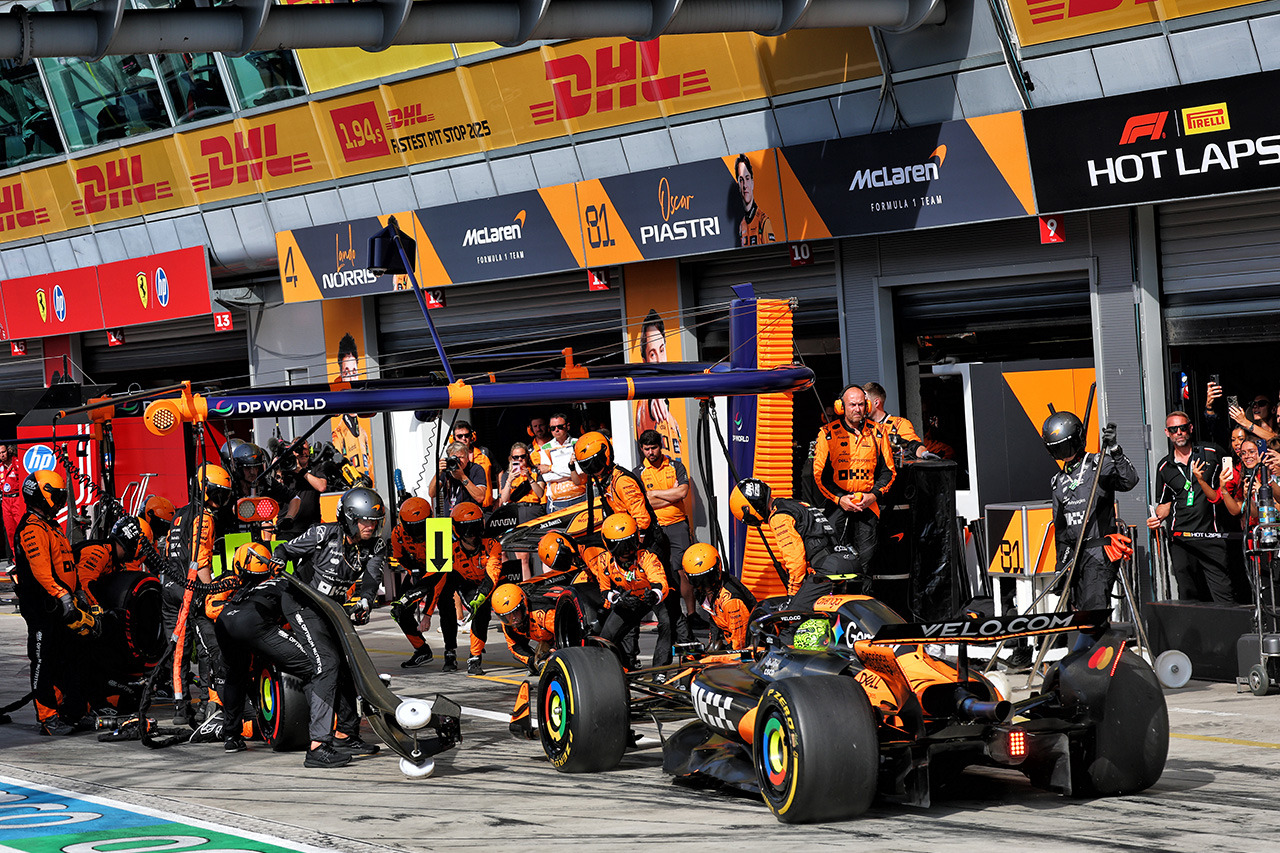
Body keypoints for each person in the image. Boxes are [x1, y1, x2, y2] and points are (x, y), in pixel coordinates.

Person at [274, 487, 385, 769]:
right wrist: (279, 559)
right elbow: (284, 548)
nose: (370, 526)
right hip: (301, 603)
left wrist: (365, 601)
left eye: (374, 521)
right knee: (327, 664)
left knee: (348, 666)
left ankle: (346, 734)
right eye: (364, 521)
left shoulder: (375, 546)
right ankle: (317, 746)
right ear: (349, 518)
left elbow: (372, 578)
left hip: (331, 608)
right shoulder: (323, 534)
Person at [577, 430, 691, 644]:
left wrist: (630, 551)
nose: (594, 470)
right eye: (588, 467)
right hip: (628, 546)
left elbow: (642, 520)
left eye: (596, 464)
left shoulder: (622, 481)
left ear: (606, 456)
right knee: (628, 601)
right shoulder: (605, 481)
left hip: (646, 545)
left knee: (666, 602)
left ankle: (686, 643)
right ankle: (627, 653)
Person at [212, 542, 313, 753]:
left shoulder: (240, 587)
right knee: (313, 665)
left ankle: (231, 736)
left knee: (235, 675)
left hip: (224, 622)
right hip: (253, 625)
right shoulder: (284, 583)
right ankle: (324, 730)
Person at [12, 470, 86, 735]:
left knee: (66, 659)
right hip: (43, 607)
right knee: (42, 661)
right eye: (57, 496)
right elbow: (42, 571)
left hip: (61, 606)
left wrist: (77, 592)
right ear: (41, 495)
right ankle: (48, 718)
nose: (61, 501)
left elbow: (67, 564)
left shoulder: (51, 526)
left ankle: (68, 711)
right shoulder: (31, 529)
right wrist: (63, 595)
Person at [1044, 413, 1139, 611]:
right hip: (1075, 557)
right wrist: (1060, 567)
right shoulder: (1057, 481)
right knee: (1077, 613)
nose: (1064, 453)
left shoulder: (1099, 462)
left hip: (1099, 552)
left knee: (1092, 610)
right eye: (1057, 449)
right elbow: (1061, 531)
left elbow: (1129, 481)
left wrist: (1115, 450)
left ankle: (1099, 632)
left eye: (1066, 447)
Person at [163, 463, 232, 726]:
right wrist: (212, 591)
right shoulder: (204, 517)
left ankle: (180, 708)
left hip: (169, 586)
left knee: (178, 649)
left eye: (223, 496)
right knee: (207, 647)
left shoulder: (179, 514)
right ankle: (206, 702)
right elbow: (201, 560)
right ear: (203, 490)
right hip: (190, 588)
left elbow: (168, 550)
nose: (219, 501)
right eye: (216, 494)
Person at [729, 477, 860, 613]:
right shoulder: (796, 504)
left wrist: (792, 595)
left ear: (750, 509)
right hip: (850, 561)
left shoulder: (779, 517)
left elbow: (796, 562)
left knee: (791, 617)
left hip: (829, 569)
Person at [1146, 412, 1233, 604]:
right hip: (1181, 538)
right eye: (1173, 429)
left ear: (1190, 428)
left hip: (1211, 534)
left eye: (1183, 427)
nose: (1179, 432)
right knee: (1188, 594)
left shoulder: (1211, 452)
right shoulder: (1164, 466)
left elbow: (1233, 477)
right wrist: (1156, 519)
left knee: (1223, 593)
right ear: (1167, 432)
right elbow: (1165, 503)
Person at [813, 384, 896, 576]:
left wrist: (873, 496)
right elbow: (820, 476)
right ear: (841, 407)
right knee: (834, 561)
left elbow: (888, 472)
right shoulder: (827, 433)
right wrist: (840, 498)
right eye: (852, 405)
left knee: (866, 563)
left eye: (861, 404)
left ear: (867, 406)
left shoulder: (879, 432)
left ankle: (862, 594)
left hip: (868, 504)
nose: (857, 409)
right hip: (837, 505)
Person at [592, 513, 672, 667]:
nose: (626, 551)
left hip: (652, 596)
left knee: (667, 623)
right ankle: (615, 668)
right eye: (619, 546)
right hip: (628, 598)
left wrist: (654, 595)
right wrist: (618, 599)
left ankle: (660, 671)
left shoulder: (647, 557)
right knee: (605, 637)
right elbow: (605, 590)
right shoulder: (603, 561)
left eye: (630, 543)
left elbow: (660, 581)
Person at [635, 429, 696, 624]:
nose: (650, 452)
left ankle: (692, 615)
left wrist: (654, 494)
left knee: (683, 570)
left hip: (678, 524)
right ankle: (667, 619)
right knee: (657, 573)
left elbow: (683, 492)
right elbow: (643, 503)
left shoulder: (675, 466)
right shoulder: (638, 473)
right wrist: (671, 495)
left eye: (654, 448)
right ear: (641, 449)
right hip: (654, 528)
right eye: (647, 449)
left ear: (660, 446)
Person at [434, 501, 502, 675]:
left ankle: (475, 656)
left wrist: (482, 595)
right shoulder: (441, 539)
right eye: (467, 530)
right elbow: (434, 579)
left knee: (482, 608)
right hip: (458, 579)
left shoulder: (492, 543)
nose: (473, 536)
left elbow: (493, 574)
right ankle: (450, 651)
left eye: (476, 528)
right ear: (456, 530)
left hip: (483, 581)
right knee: (444, 602)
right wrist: (427, 614)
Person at [387, 497, 441, 669]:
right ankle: (421, 649)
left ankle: (451, 653)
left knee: (446, 606)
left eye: (421, 527)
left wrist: (427, 615)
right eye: (412, 528)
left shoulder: (439, 530)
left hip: (442, 571)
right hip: (418, 570)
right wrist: (413, 572)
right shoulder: (397, 533)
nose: (417, 533)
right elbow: (399, 556)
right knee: (399, 609)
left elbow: (440, 575)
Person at [683, 543, 756, 649]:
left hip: (749, 646)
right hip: (732, 642)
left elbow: (740, 642)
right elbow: (714, 618)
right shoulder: (700, 592)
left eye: (708, 579)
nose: (705, 586)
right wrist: (713, 644)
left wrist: (721, 653)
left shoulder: (731, 601)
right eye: (697, 581)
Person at [633, 312, 682, 456]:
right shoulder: (647, 403)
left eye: (661, 350)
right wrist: (655, 395)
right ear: (645, 361)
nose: (660, 360)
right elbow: (649, 406)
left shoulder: (671, 420)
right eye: (653, 354)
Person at [498, 442, 545, 579]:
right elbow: (504, 499)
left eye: (522, 457)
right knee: (522, 557)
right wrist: (509, 481)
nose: (519, 460)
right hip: (516, 512)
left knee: (542, 551)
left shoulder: (535, 471)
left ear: (527, 457)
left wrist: (529, 477)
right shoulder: (508, 475)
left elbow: (540, 493)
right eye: (516, 457)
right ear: (511, 459)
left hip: (533, 510)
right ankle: (525, 586)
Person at [492, 583, 556, 675]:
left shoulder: (543, 614)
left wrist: (552, 651)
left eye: (516, 612)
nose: (513, 618)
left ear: (523, 606)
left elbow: (569, 632)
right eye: (507, 615)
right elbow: (514, 646)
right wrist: (531, 661)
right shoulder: (507, 624)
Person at [862, 382, 932, 460]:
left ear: (876, 402)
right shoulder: (860, 425)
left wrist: (924, 454)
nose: (861, 406)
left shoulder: (899, 423)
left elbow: (914, 445)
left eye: (864, 402)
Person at [537, 413, 585, 513]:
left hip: (580, 497)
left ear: (567, 426)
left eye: (560, 427)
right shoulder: (546, 447)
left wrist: (551, 468)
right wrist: (571, 474)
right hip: (557, 502)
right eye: (553, 428)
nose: (556, 430)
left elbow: (580, 471)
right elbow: (547, 477)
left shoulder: (578, 443)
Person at [428, 440, 487, 513]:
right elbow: (432, 494)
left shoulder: (476, 469)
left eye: (461, 457)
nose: (458, 461)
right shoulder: (446, 469)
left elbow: (480, 497)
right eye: (454, 458)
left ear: (467, 458)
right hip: (449, 517)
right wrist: (438, 473)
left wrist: (462, 477)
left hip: (469, 516)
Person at [735, 153, 775, 247]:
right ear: (738, 186)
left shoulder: (763, 221)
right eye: (741, 180)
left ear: (752, 183)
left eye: (747, 178)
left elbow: (773, 252)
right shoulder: (742, 225)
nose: (745, 185)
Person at [452, 421, 494, 510]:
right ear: (453, 438)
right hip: (460, 508)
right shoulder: (451, 458)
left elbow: (499, 471)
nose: (464, 439)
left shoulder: (484, 453)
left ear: (472, 436)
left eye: (466, 435)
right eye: (460, 436)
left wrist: (500, 496)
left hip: (485, 505)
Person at [0, 443, 22, 556]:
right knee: (10, 531)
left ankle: (25, 556)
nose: (2, 455)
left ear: (8, 451)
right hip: (5, 501)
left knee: (21, 529)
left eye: (3, 452)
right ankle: (15, 557)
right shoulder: (0, 467)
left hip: (17, 499)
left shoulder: (17, 463)